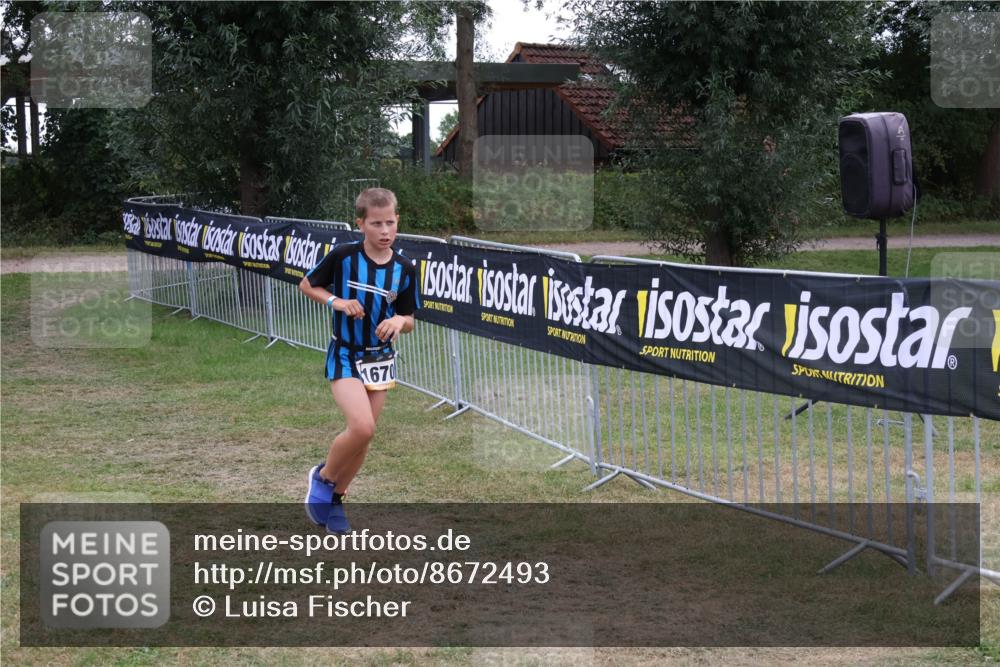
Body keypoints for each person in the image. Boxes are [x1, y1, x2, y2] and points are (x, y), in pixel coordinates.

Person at [298, 187, 419, 534]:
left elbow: (409, 320)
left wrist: (399, 321)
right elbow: (307, 285)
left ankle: (336, 498)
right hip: (346, 354)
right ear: (361, 224)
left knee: (364, 438)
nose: (385, 231)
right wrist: (336, 301)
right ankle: (323, 478)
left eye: (390, 223)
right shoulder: (343, 256)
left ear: (398, 221)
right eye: (376, 223)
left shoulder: (404, 269)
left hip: (380, 359)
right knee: (362, 427)